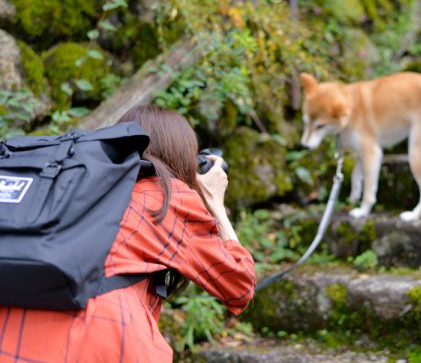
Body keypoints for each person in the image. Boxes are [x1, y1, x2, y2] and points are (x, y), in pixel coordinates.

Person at [0, 105, 256, 362]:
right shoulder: (164, 197)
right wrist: (215, 202)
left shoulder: (80, 186)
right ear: (181, 156)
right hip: (97, 340)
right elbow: (240, 283)